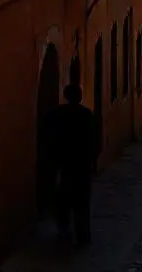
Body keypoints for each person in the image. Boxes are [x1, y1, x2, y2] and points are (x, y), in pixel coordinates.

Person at [43, 84, 100, 248]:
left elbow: (48, 136)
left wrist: (53, 159)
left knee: (63, 200)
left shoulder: (56, 114)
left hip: (64, 165)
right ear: (80, 97)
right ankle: (82, 235)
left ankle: (64, 233)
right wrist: (92, 160)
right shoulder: (86, 114)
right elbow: (94, 140)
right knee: (82, 202)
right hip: (81, 165)